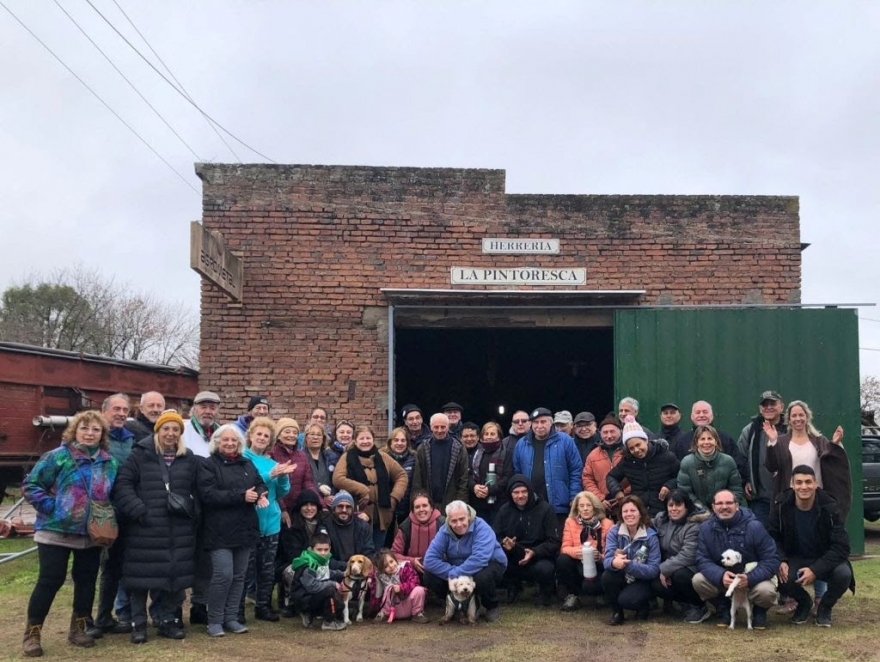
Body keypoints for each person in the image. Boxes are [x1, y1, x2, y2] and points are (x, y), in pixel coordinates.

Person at [21, 410, 118, 657]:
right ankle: (32, 634)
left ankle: (78, 629)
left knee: (86, 582)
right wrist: (52, 508)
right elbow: (31, 485)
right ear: (74, 430)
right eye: (84, 428)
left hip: (91, 534)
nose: (89, 433)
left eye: (96, 429)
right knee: (49, 581)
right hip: (55, 530)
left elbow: (112, 494)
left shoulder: (109, 462)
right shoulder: (58, 457)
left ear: (102, 434)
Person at [113, 409, 199, 643]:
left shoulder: (188, 458)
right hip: (146, 528)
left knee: (173, 579)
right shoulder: (139, 455)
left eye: (175, 429)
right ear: (157, 430)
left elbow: (199, 488)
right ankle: (138, 623)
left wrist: (193, 511)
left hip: (177, 529)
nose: (170, 433)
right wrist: (138, 510)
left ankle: (167, 621)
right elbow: (123, 485)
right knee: (140, 578)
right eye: (166, 428)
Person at [198, 424, 269, 637]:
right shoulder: (208, 465)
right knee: (223, 575)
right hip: (219, 529)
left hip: (245, 528)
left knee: (239, 576)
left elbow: (259, 484)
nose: (230, 444)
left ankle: (231, 618)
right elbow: (208, 494)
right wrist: (241, 496)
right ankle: (214, 620)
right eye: (225, 440)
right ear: (217, 442)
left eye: (234, 441)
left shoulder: (247, 463)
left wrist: (262, 493)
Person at [767, 465, 855, 627]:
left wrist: (815, 570)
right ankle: (804, 603)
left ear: (816, 484)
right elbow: (773, 537)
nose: (804, 486)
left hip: (824, 557)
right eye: (799, 482)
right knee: (779, 572)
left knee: (843, 574)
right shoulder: (780, 505)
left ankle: (825, 607)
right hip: (795, 557)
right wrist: (782, 559)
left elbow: (841, 547)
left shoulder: (830, 507)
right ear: (792, 485)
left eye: (808, 482)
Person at [693, 489, 780, 629]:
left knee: (766, 592)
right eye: (719, 503)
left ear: (737, 505)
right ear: (713, 507)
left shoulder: (755, 526)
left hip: (752, 579)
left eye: (729, 503)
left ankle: (759, 611)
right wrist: (720, 576)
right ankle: (723, 607)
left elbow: (771, 559)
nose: (724, 507)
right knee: (698, 580)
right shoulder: (705, 528)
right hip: (724, 581)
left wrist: (749, 578)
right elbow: (702, 559)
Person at [243, 418, 295, 622]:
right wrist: (270, 474)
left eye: (266, 436)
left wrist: (282, 476)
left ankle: (263, 606)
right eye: (259, 434)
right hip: (249, 520)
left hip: (271, 521)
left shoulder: (273, 462)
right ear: (251, 436)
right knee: (245, 569)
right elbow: (247, 482)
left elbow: (283, 491)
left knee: (267, 568)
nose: (262, 438)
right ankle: (237, 609)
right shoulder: (243, 458)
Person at [765, 400, 851, 520]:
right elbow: (771, 466)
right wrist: (773, 441)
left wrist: (835, 443)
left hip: (817, 499)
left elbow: (834, 463)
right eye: (794, 415)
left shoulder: (820, 441)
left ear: (807, 417)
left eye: (801, 415)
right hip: (790, 501)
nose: (798, 418)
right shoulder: (781, 442)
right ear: (789, 419)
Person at [424, 500, 507, 622]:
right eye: (454, 521)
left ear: (468, 516)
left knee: (482, 578)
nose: (458, 524)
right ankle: (455, 603)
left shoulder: (482, 527)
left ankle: (491, 605)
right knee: (429, 576)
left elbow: (480, 558)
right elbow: (429, 560)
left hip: (489, 564)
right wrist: (453, 572)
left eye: (462, 519)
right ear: (448, 520)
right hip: (457, 568)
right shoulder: (443, 531)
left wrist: (455, 574)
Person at [94, 393, 135, 635]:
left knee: (118, 566)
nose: (121, 413)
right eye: (116, 409)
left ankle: (112, 616)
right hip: (100, 513)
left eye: (125, 410)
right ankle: (97, 619)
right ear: (104, 410)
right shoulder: (94, 436)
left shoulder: (131, 439)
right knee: (100, 568)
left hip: (124, 511)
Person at [332, 425, 408, 552]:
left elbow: (402, 475)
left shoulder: (383, 457)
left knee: (379, 551)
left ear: (373, 439)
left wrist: (394, 497)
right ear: (355, 441)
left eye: (368, 438)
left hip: (383, 515)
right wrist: (362, 489)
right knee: (361, 551)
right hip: (359, 513)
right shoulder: (347, 457)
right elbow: (338, 478)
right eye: (361, 438)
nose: (365, 441)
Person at [492, 475, 560, 606]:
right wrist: (505, 543)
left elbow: (554, 541)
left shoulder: (546, 509)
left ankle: (546, 592)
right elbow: (494, 536)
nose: (520, 496)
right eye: (516, 492)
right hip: (513, 554)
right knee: (498, 560)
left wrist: (534, 552)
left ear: (530, 491)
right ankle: (513, 588)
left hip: (539, 556)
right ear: (510, 494)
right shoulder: (504, 510)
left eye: (524, 491)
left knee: (545, 568)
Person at [511, 407, 582, 527]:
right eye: (535, 422)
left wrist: (574, 496)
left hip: (559, 506)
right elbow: (516, 474)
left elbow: (576, 470)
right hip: (531, 506)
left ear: (551, 423)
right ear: (531, 424)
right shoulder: (521, 444)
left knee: (559, 542)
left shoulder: (566, 441)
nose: (539, 426)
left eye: (543, 422)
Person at [650, 489, 710, 624]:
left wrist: (664, 568)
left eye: (678, 505)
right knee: (655, 584)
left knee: (680, 576)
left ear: (686, 506)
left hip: (691, 567)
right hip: (669, 565)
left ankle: (699, 606)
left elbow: (688, 555)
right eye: (670, 505)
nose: (674, 509)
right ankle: (683, 604)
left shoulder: (694, 525)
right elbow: (644, 524)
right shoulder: (661, 519)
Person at [601, 495, 661, 625]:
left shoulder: (651, 536)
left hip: (643, 580)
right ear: (621, 514)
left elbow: (654, 570)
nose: (629, 514)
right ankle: (617, 612)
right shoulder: (614, 532)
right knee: (607, 576)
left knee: (628, 600)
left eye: (633, 511)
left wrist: (629, 565)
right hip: (622, 575)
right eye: (625, 511)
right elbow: (606, 560)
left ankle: (645, 605)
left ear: (640, 513)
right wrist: (614, 562)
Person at [606, 418, 679, 516]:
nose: (636, 450)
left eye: (638, 445)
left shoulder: (667, 457)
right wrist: (617, 491)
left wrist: (669, 485)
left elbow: (680, 476)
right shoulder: (627, 461)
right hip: (639, 511)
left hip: (664, 510)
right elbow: (611, 476)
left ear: (646, 440)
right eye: (631, 448)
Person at [557, 491, 613, 611]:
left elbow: (611, 552)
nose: (585, 509)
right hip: (578, 560)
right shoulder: (570, 522)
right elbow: (565, 547)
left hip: (598, 563)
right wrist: (577, 551)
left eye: (588, 505)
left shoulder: (607, 524)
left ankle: (602, 594)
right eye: (581, 506)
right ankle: (572, 595)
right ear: (577, 508)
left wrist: (600, 556)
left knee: (590, 585)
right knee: (563, 559)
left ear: (595, 507)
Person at [737, 390, 786, 526]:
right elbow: (741, 458)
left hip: (788, 498)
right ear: (760, 408)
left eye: (773, 403)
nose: (769, 407)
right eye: (765, 404)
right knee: (760, 537)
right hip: (760, 499)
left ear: (781, 406)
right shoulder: (750, 430)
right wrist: (746, 480)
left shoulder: (790, 429)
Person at [287, 532, 348, 631]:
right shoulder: (310, 565)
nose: (323, 553)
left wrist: (341, 574)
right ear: (311, 549)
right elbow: (312, 586)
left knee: (339, 603)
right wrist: (332, 583)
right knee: (330, 590)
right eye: (319, 550)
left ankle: (313, 615)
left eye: (326, 550)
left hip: (313, 595)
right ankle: (328, 621)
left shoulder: (322, 560)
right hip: (304, 598)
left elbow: (325, 573)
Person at [677, 425, 745, 510]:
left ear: (716, 441)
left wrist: (724, 506)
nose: (706, 442)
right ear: (696, 442)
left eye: (710, 438)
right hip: (696, 513)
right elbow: (685, 491)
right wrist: (702, 510)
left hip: (724, 511)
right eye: (702, 439)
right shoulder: (687, 462)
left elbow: (736, 489)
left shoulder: (728, 461)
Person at [278, 489, 323, 616]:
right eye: (305, 505)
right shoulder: (290, 526)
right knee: (293, 571)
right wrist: (313, 558)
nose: (309, 508)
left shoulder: (323, 524)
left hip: (318, 560)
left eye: (312, 505)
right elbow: (292, 554)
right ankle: (289, 602)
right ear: (299, 507)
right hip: (292, 562)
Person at [411, 413, 469, 512]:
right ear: (431, 428)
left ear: (448, 427)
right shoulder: (423, 448)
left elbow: (463, 478)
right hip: (428, 501)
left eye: (443, 427)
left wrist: (461, 502)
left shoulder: (458, 448)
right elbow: (417, 479)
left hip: (452, 501)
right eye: (436, 427)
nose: (439, 430)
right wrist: (418, 500)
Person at [391, 492, 446, 595]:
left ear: (431, 508)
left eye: (425, 505)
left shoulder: (443, 524)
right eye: (417, 507)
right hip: (412, 570)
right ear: (413, 510)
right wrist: (412, 561)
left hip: (438, 570)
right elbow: (394, 554)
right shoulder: (406, 527)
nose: (421, 510)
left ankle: (441, 596)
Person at [688, 401, 748, 482]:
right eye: (698, 412)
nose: (701, 415)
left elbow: (738, 467)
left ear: (712, 415)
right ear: (692, 416)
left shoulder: (726, 439)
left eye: (705, 412)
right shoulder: (682, 442)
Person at [271, 418, 317, 523]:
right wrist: (282, 509)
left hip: (297, 508)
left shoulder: (302, 455)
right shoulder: (271, 453)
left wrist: (318, 502)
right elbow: (272, 484)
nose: (291, 435)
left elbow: (307, 482)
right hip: (277, 508)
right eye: (287, 432)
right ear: (278, 435)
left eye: (295, 432)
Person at [370, 549, 429, 623]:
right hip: (392, 608)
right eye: (386, 566)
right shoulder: (379, 576)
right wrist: (374, 609)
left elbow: (414, 582)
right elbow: (376, 595)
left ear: (395, 559)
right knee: (388, 588)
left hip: (408, 604)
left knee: (419, 590)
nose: (391, 566)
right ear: (381, 569)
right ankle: (383, 613)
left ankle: (417, 613)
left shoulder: (405, 568)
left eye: (391, 561)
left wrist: (401, 587)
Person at [469, 421, 510, 525]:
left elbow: (508, 476)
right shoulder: (476, 453)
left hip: (499, 503)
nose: (489, 437)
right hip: (478, 503)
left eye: (492, 434)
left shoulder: (507, 453)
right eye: (486, 434)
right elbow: (468, 475)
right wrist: (474, 487)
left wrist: (489, 490)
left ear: (499, 436)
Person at [582, 415, 625, 512]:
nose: (609, 436)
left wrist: (623, 495)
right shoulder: (593, 455)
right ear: (600, 434)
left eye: (612, 431)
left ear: (620, 432)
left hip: (626, 504)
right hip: (602, 507)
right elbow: (587, 479)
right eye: (605, 432)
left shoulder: (628, 452)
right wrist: (600, 498)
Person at [322, 491, 375, 567]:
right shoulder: (325, 526)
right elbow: (323, 556)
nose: (344, 510)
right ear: (334, 509)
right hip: (333, 571)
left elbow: (368, 552)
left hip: (358, 570)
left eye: (348, 507)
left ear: (352, 509)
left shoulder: (362, 526)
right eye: (340, 506)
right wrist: (347, 566)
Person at [382, 427, 416, 530]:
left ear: (407, 443)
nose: (399, 443)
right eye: (396, 440)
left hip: (406, 508)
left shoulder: (414, 459)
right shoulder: (381, 457)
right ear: (390, 442)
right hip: (386, 508)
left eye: (403, 440)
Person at [183, 391, 222, 459]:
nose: (208, 412)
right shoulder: (183, 431)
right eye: (203, 407)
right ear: (194, 409)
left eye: (212, 408)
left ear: (218, 411)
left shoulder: (221, 432)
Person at [302, 423, 335, 502]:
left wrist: (331, 495)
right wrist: (318, 488)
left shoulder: (331, 456)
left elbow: (336, 480)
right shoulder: (300, 457)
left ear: (323, 439)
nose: (315, 437)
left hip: (331, 499)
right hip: (308, 500)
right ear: (306, 437)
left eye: (319, 435)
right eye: (312, 434)